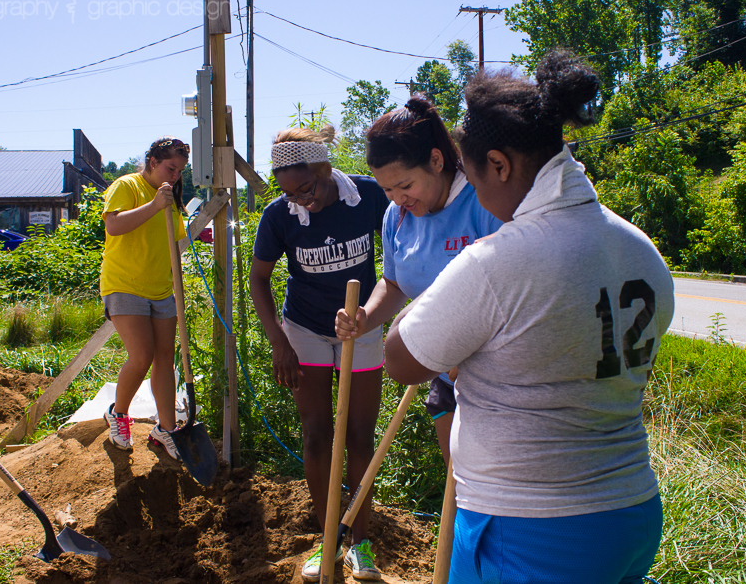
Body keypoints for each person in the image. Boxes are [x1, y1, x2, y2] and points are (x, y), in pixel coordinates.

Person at [383, 52, 674, 584]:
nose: (481, 199)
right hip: (631, 511)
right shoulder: (640, 249)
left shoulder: (500, 261)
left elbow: (400, 360)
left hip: (531, 526)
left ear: (498, 164)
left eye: (474, 178)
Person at [248, 127, 390, 582]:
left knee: (360, 436)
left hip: (361, 322)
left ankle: (358, 542)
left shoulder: (368, 197)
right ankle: (327, 537)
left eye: (306, 188)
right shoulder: (279, 216)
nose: (300, 200)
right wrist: (279, 342)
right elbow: (258, 280)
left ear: (325, 168)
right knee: (315, 434)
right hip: (305, 329)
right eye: (289, 192)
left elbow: (404, 249)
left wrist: (380, 311)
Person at [334, 96, 501, 468]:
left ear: (436, 161)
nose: (396, 199)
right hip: (443, 376)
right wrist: (365, 317)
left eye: (404, 185)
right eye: (387, 190)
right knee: (461, 488)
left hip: (497, 382)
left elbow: (518, 289)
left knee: (500, 492)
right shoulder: (396, 217)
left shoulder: (485, 202)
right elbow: (394, 284)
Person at [100, 136, 190, 460]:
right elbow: (113, 226)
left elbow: (173, 246)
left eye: (180, 170)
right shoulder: (127, 186)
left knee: (166, 358)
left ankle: (166, 429)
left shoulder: (170, 198)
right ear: (152, 162)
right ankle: (118, 414)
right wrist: (154, 204)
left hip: (161, 289)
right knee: (142, 357)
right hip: (124, 284)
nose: (176, 175)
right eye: (170, 167)